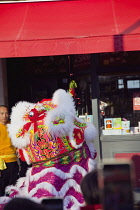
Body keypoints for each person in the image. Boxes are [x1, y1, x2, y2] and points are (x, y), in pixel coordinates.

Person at [0, 105, 19, 196]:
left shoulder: (11, 126)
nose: (4, 116)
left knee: (12, 186)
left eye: (6, 113)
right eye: (2, 114)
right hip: (2, 162)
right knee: (2, 186)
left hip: (13, 160)